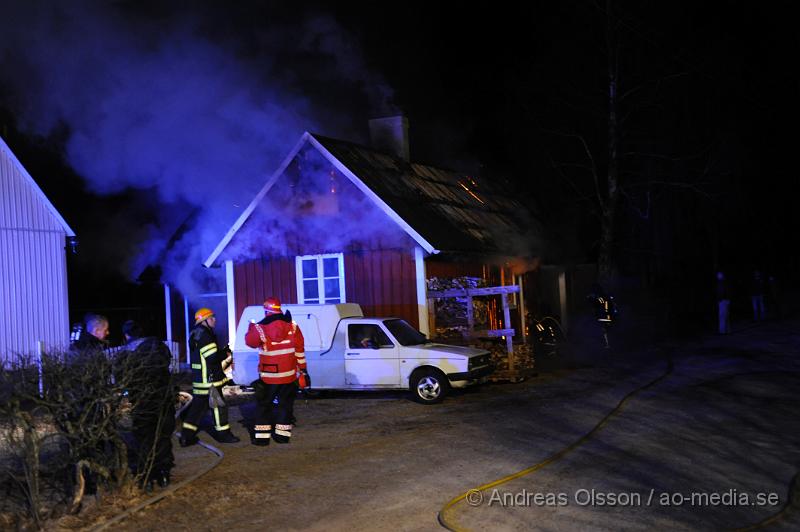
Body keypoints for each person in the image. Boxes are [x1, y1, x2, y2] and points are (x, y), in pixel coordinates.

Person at [115, 320, 175, 490]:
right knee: (162, 436)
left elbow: (121, 379)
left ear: (126, 335)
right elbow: (167, 366)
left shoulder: (124, 352)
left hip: (142, 403)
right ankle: (164, 474)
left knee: (143, 439)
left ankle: (146, 477)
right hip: (164, 398)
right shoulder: (158, 345)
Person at [245, 297, 309, 446]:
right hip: (289, 375)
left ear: (266, 311)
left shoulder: (259, 328)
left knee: (264, 406)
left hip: (269, 377)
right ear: (279, 309)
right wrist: (303, 371)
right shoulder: (293, 326)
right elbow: (300, 351)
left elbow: (250, 342)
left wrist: (251, 328)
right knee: (285, 406)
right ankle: (282, 437)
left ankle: (262, 439)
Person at [179, 308, 239, 446]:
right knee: (219, 408)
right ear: (204, 321)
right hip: (210, 380)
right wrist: (225, 353)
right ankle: (224, 435)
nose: (214, 320)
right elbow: (212, 357)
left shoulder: (196, 333)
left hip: (200, 380)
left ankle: (186, 437)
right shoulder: (205, 335)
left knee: (196, 410)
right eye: (211, 318)